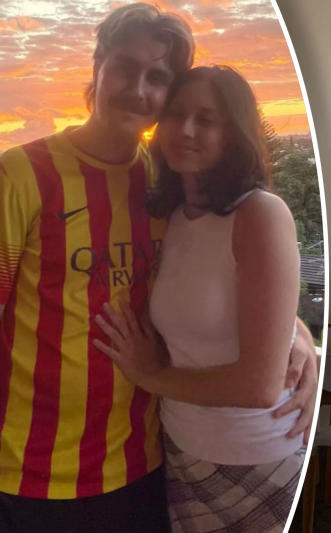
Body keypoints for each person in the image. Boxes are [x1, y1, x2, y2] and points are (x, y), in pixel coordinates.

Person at [0, 4, 318, 532]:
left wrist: (297, 336)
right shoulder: (20, 176)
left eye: (158, 77)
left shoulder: (165, 183)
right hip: (32, 471)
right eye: (125, 67)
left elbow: (230, 279)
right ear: (97, 65)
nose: (138, 89)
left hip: (146, 459)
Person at [95, 64, 306, 533]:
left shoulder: (260, 214)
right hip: (180, 450)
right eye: (175, 114)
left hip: (254, 460)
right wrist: (299, 333)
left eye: (206, 120)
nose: (185, 130)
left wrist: (148, 374)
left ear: (235, 132)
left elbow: (259, 388)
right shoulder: (170, 217)